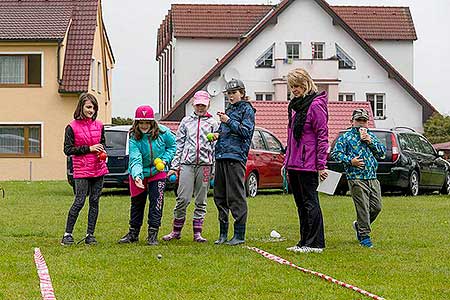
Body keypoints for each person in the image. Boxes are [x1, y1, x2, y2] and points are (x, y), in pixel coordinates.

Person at [162, 91, 219, 242]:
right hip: (187, 164)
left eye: (203, 105)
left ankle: (197, 233)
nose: (200, 107)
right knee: (183, 198)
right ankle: (176, 231)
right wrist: (174, 166)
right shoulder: (186, 122)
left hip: (206, 165)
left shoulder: (213, 123)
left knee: (201, 200)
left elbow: (216, 147)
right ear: (193, 104)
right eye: (198, 104)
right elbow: (179, 145)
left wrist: (214, 167)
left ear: (208, 105)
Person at [283, 68, 329, 254]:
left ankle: (316, 243)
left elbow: (322, 136)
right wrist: (286, 162)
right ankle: (303, 241)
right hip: (294, 163)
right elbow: (291, 138)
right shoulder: (295, 107)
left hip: (308, 163)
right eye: (292, 86)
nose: (294, 90)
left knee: (311, 202)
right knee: (301, 204)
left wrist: (321, 164)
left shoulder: (315, 105)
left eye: (298, 86)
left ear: (306, 84)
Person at [118, 105, 176, 245]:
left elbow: (173, 146)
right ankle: (133, 233)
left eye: (147, 122)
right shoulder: (133, 136)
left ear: (152, 122)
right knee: (137, 203)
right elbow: (135, 158)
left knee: (156, 202)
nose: (144, 125)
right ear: (136, 123)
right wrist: (137, 176)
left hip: (158, 171)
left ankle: (152, 234)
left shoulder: (164, 132)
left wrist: (165, 160)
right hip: (140, 172)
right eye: (141, 122)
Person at [331, 108, 386, 248]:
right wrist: (351, 161)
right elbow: (335, 154)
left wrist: (369, 142)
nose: (361, 124)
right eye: (358, 120)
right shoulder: (345, 137)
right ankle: (364, 235)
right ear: (352, 121)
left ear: (368, 122)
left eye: (364, 121)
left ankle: (359, 225)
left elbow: (382, 153)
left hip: (372, 176)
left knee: (377, 207)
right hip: (356, 177)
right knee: (362, 207)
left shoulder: (371, 136)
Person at [61, 93, 109, 246]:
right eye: (89, 107)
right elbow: (68, 150)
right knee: (80, 201)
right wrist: (89, 148)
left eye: (94, 108)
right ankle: (67, 235)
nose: (91, 110)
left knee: (94, 201)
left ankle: (90, 235)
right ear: (81, 107)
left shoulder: (100, 125)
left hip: (98, 168)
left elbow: (102, 144)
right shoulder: (71, 127)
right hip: (81, 170)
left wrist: (103, 153)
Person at [212, 78, 256, 246]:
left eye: (234, 93)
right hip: (221, 156)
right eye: (229, 93)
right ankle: (223, 233)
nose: (231, 96)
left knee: (236, 196)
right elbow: (228, 132)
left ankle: (239, 234)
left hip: (236, 157)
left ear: (242, 93)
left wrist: (228, 121)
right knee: (220, 196)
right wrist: (218, 134)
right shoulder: (229, 109)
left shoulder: (247, 110)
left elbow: (245, 132)